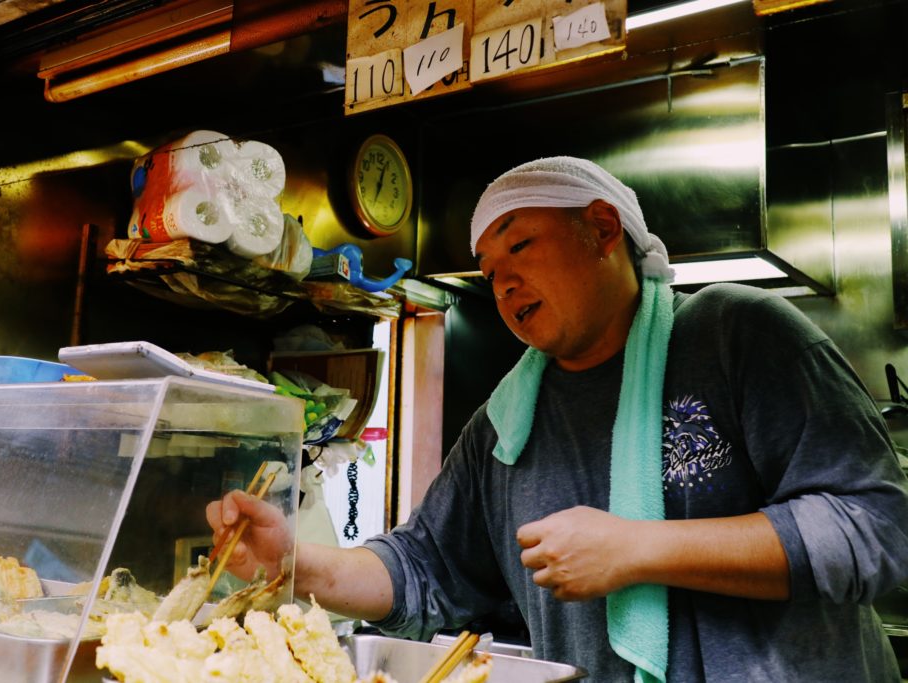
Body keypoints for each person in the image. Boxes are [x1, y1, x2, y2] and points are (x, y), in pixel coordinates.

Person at [207, 157, 908, 682]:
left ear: (602, 229)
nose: (503, 281)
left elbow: (877, 526)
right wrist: (294, 564)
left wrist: (639, 548)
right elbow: (425, 567)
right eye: (487, 268)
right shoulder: (503, 424)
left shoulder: (736, 335)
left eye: (520, 246)